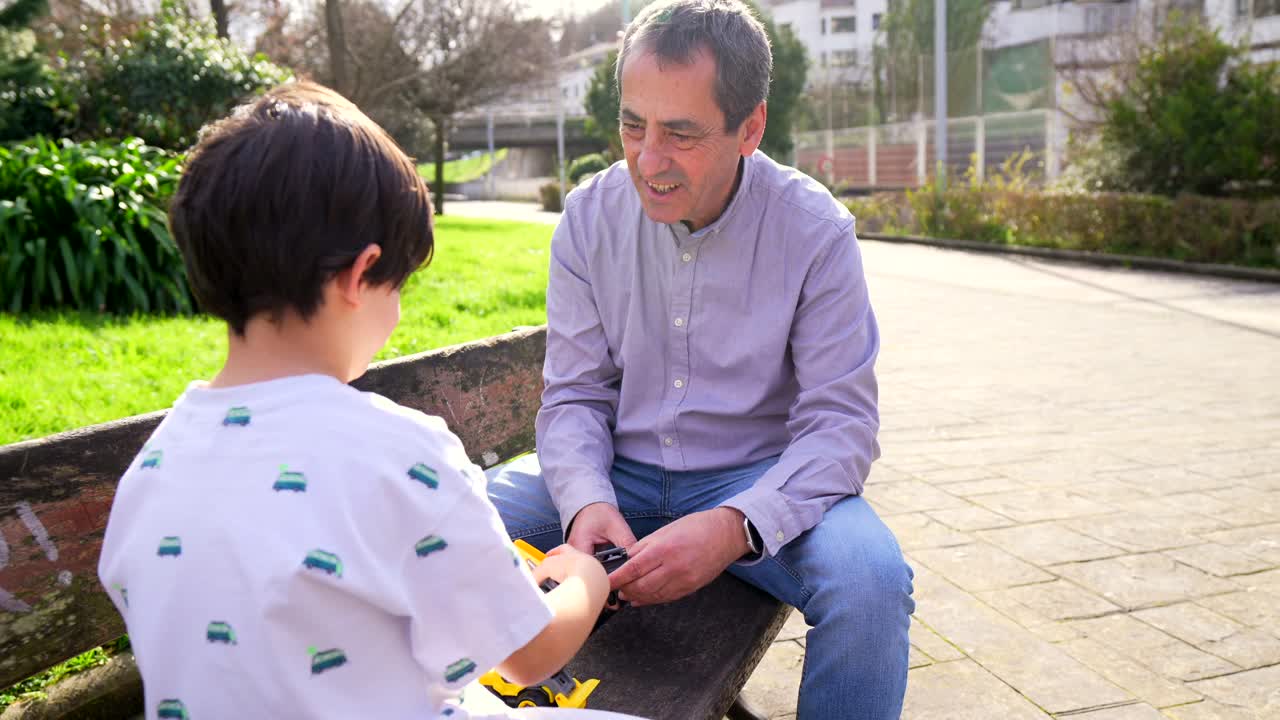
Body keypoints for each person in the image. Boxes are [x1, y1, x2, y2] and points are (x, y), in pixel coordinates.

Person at [97, 82, 643, 720]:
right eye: (399, 288)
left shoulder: (151, 470)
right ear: (362, 276)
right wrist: (584, 577)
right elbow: (528, 656)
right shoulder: (400, 454)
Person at [487, 1, 915, 718]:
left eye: (680, 134)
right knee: (442, 516)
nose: (647, 161)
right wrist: (586, 500)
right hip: (614, 473)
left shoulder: (815, 233)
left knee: (871, 583)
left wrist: (736, 526)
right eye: (633, 125)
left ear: (751, 127)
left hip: (756, 481)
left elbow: (841, 427)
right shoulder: (589, 219)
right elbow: (575, 397)